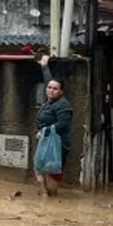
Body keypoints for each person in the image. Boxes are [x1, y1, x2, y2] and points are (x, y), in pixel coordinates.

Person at [35, 54, 73, 197]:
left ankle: (51, 198)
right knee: (39, 168)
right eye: (49, 88)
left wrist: (44, 131)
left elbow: (63, 125)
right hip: (45, 141)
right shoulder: (49, 100)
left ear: (61, 92)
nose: (51, 90)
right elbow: (48, 81)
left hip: (58, 145)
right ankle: (45, 197)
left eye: (55, 89)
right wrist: (44, 66)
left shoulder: (63, 105)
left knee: (52, 178)